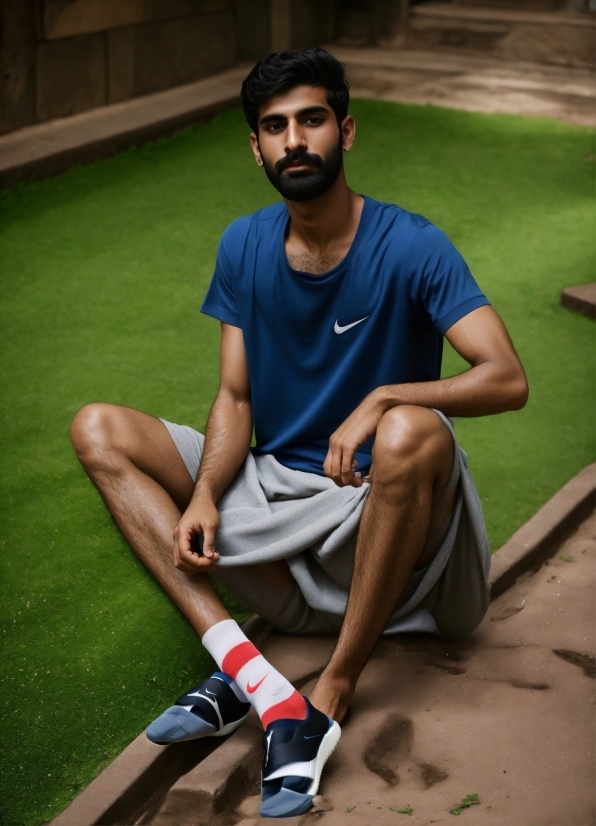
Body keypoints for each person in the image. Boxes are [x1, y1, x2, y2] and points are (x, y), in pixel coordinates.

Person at [71, 47, 528, 818]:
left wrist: (384, 395)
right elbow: (235, 394)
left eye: (310, 120)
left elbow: (506, 378)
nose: (294, 141)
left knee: (415, 429)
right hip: (278, 508)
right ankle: (250, 674)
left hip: (387, 525)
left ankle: (333, 687)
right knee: (99, 429)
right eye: (274, 127)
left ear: (344, 130)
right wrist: (208, 491)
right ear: (256, 146)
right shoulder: (244, 244)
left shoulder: (411, 244)